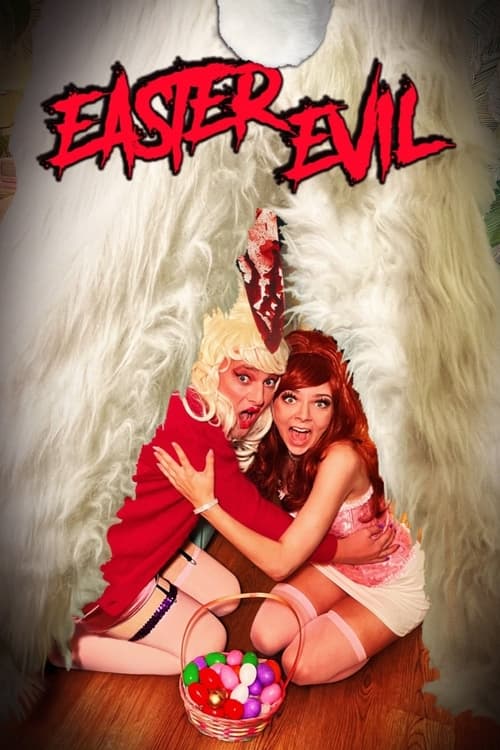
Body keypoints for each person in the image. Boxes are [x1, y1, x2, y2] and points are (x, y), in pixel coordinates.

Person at [53, 299, 396, 677]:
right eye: (243, 377)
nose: (259, 397)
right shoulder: (197, 429)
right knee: (207, 643)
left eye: (270, 382)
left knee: (226, 594)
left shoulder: (190, 404)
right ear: (211, 365)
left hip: (125, 544)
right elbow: (264, 529)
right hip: (104, 581)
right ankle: (66, 645)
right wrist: (343, 550)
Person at [155, 329, 428, 685]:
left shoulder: (341, 458)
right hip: (335, 567)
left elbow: (280, 563)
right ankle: (337, 620)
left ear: (337, 407)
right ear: (273, 399)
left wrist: (206, 505)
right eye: (290, 398)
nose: (303, 416)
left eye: (321, 402)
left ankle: (357, 628)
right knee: (264, 637)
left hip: (391, 583)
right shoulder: (270, 442)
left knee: (299, 666)